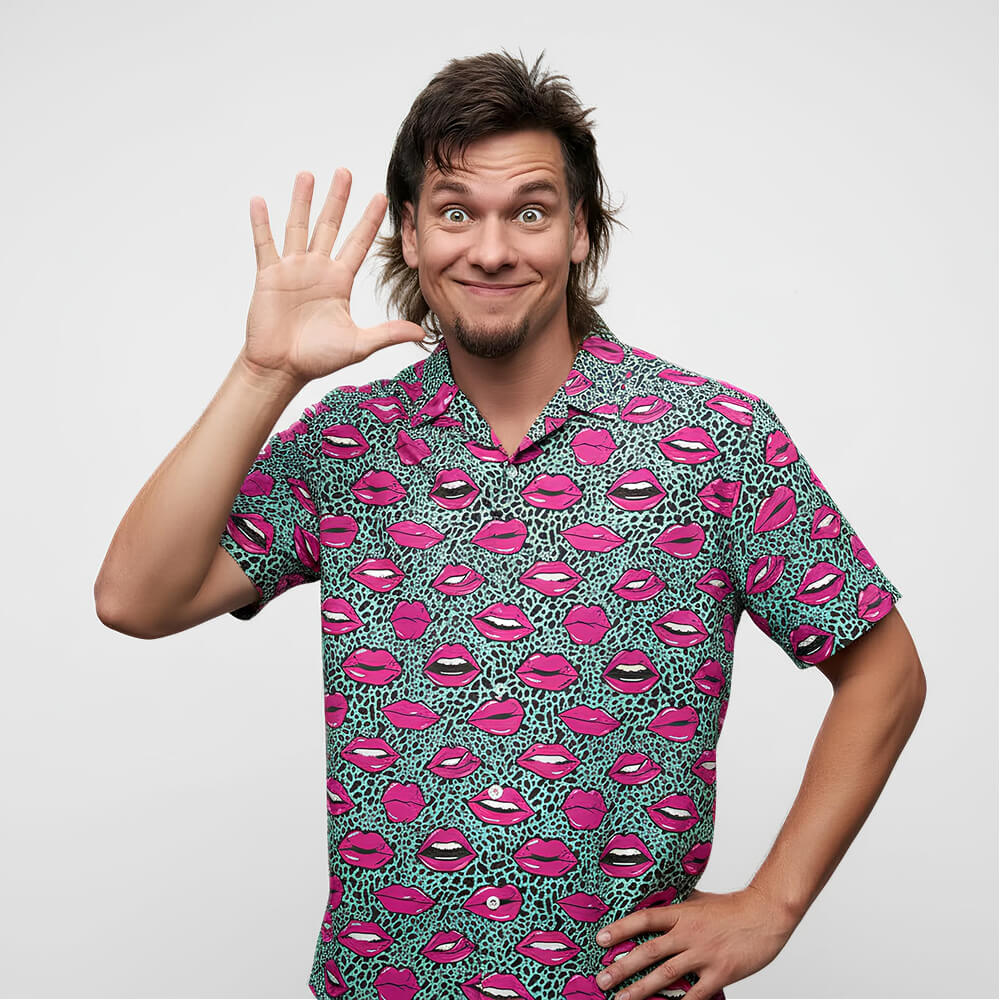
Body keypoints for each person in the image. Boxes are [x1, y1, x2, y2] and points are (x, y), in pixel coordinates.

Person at [95, 50, 925, 1000]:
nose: (491, 250)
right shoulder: (347, 446)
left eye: (529, 211)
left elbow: (885, 672)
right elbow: (135, 599)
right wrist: (265, 374)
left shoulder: (714, 439)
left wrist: (773, 904)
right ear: (409, 236)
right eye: (455, 212)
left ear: (580, 232)